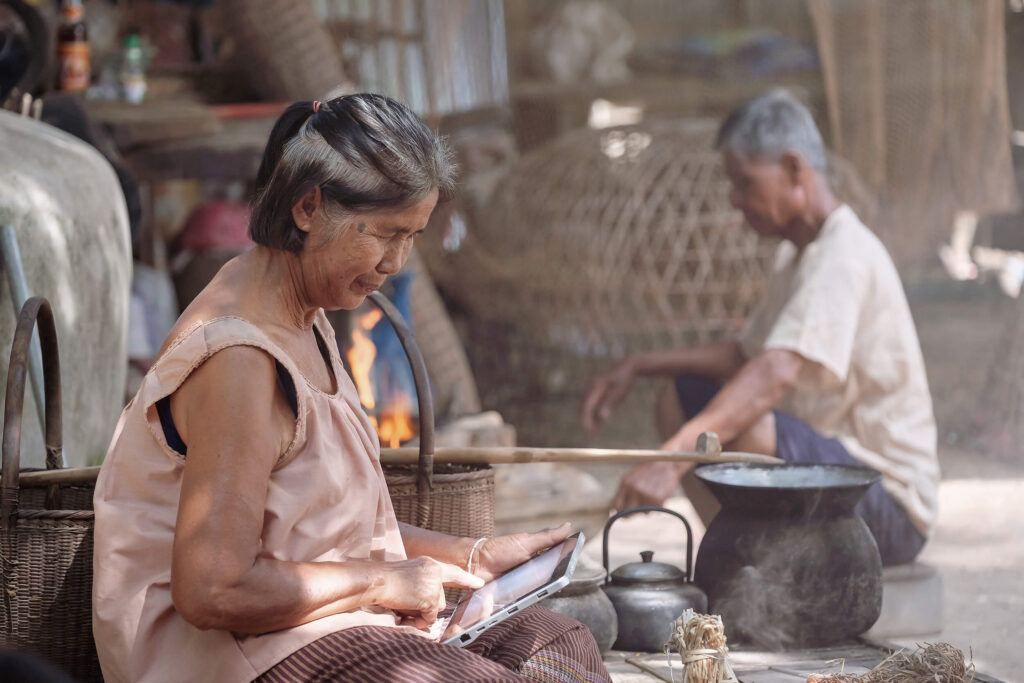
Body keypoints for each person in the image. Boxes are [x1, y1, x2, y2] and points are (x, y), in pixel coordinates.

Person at [93, 94, 609, 683]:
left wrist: (473, 557)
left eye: (412, 235)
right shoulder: (238, 360)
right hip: (235, 658)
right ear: (309, 206)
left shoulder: (304, 313)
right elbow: (215, 589)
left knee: (558, 643)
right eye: (387, 234)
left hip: (316, 626)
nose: (396, 261)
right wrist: (383, 581)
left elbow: (324, 528)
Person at [582, 89, 938, 568]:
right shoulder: (797, 254)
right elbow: (746, 357)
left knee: (746, 423)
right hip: (837, 482)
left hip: (887, 510)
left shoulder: (843, 255)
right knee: (680, 395)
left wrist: (672, 457)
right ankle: (744, 564)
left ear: (794, 170)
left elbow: (774, 371)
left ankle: (760, 572)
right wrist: (639, 365)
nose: (735, 200)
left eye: (744, 183)